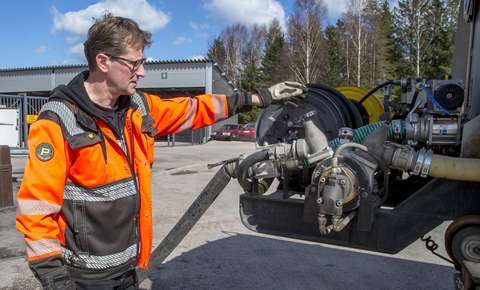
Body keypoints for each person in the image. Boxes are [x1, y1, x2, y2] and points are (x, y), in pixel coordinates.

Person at [15, 14, 304, 290]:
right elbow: (36, 210)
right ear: (103, 61)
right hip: (85, 278)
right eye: (134, 63)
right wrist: (57, 281)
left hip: (131, 269)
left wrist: (257, 98)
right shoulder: (58, 122)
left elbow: (193, 109)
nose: (142, 71)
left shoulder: (138, 107)